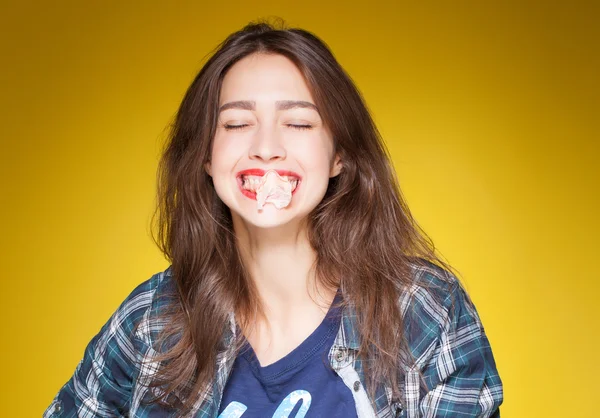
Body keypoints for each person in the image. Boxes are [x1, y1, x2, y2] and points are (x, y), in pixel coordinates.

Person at [44, 19, 503, 418]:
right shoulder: (148, 322)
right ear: (206, 155)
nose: (266, 147)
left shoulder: (426, 312)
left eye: (299, 123)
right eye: (237, 124)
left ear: (339, 154)